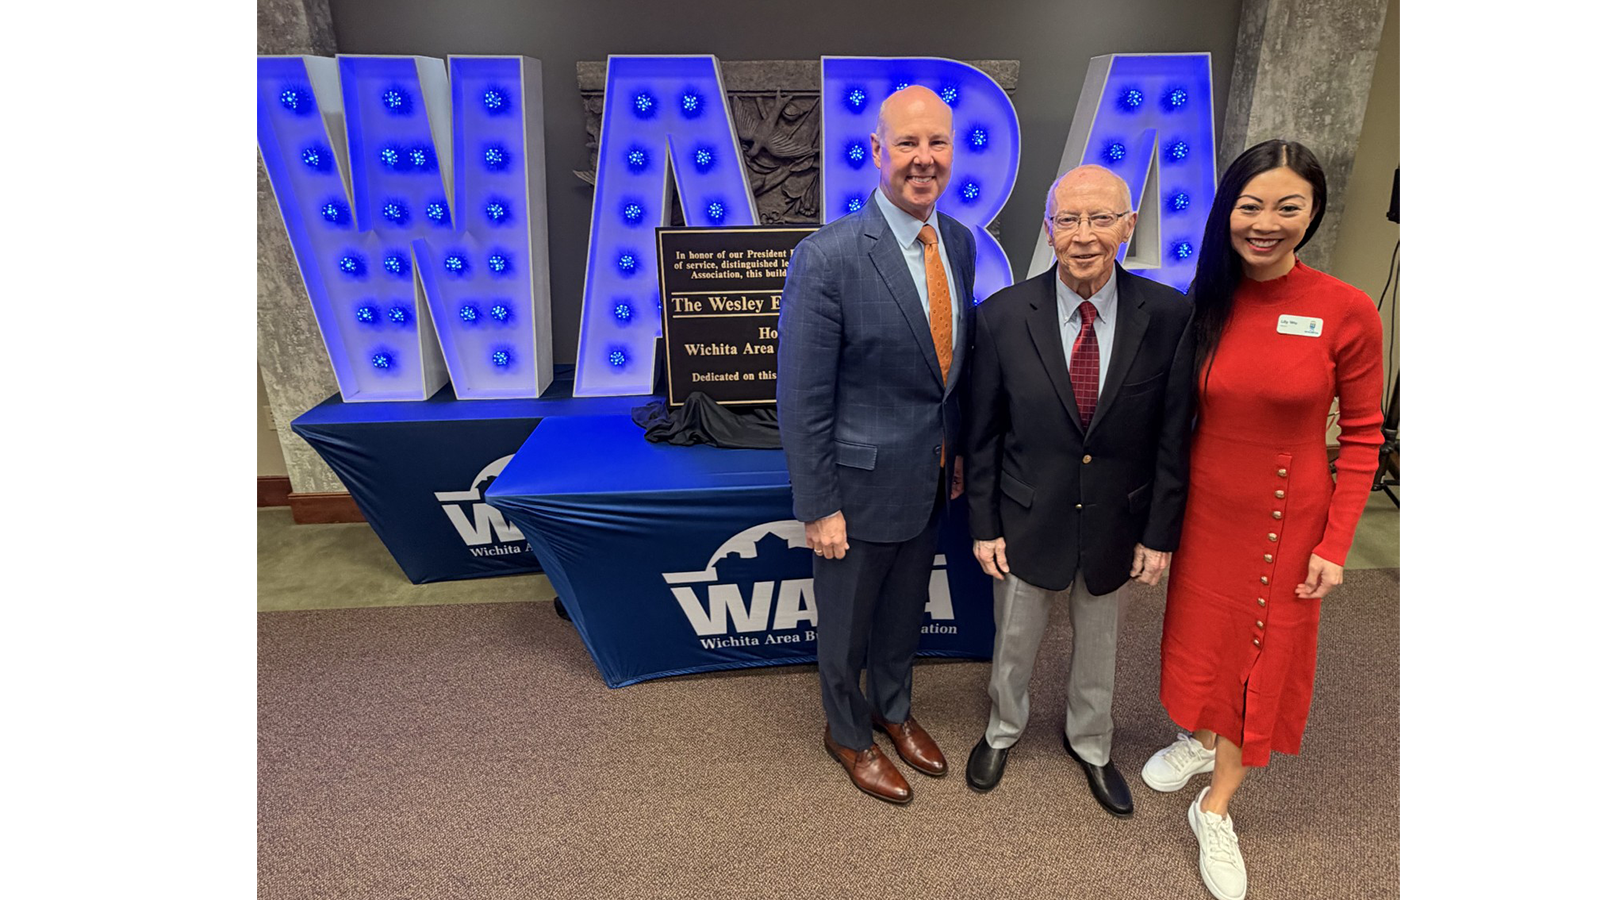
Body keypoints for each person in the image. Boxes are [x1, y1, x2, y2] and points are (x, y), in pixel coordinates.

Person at [1139, 140, 1384, 900]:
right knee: (1204, 638)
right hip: (1210, 513)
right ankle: (1201, 740)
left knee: (1261, 656)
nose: (1266, 223)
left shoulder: (1345, 310)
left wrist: (1336, 541)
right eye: (1251, 205)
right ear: (1227, 212)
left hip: (1289, 517)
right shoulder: (1205, 298)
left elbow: (1367, 433)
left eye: (1288, 207)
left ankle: (1216, 808)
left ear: (1313, 213)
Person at [961, 166, 1195, 816]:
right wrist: (984, 525)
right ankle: (1002, 730)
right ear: (1048, 229)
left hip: (1117, 523)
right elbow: (981, 435)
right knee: (1013, 642)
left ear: (1127, 227)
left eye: (1100, 219)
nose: (1084, 235)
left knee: (1099, 649)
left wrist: (1159, 533)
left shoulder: (1170, 316)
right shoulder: (1003, 316)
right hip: (1025, 514)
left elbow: (1174, 438)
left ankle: (1091, 743)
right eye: (1068, 219)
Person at [776, 85, 976, 805]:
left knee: (903, 615)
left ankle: (893, 709)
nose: (924, 160)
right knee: (847, 626)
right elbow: (800, 397)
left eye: (938, 144)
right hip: (853, 495)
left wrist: (953, 456)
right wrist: (819, 504)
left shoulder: (957, 241)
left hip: (927, 479)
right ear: (877, 152)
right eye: (908, 144)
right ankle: (847, 732)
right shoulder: (826, 257)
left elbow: (947, 369)